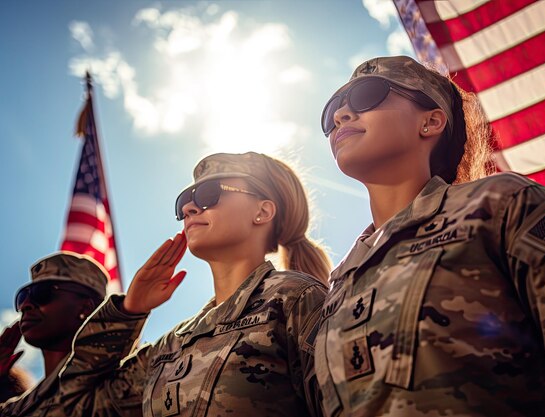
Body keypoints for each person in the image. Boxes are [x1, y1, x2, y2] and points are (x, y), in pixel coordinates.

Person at [314, 55, 545, 417]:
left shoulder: (500, 206)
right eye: (332, 111)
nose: (340, 115)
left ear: (431, 122)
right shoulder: (339, 282)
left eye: (367, 95)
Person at [59, 152, 331, 417]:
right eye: (184, 203)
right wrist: (129, 311)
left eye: (208, 194)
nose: (189, 209)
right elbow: (73, 405)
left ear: (262, 211)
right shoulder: (171, 344)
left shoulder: (295, 300)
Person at [0, 252, 108, 416]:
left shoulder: (125, 378)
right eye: (23, 297)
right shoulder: (16, 408)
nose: (26, 305)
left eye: (42, 292)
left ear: (86, 307)